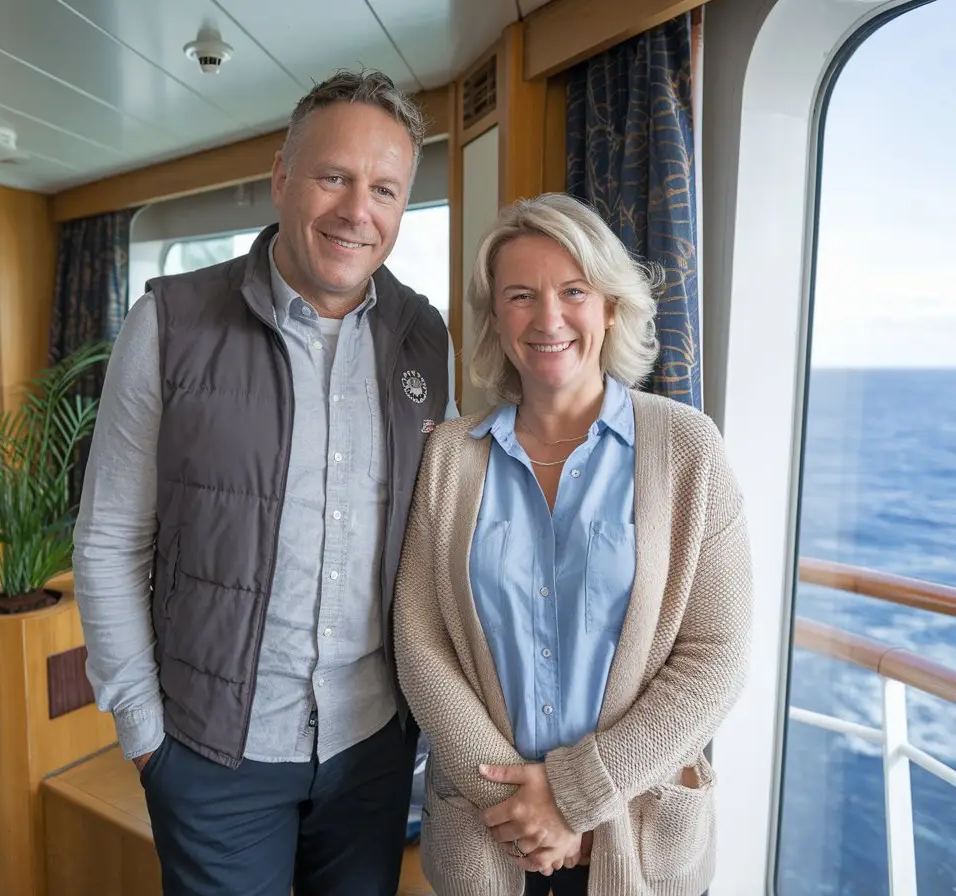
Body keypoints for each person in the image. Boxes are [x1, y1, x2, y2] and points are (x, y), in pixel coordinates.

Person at [72, 69, 458, 896]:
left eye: (385, 189)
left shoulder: (424, 338)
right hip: (214, 757)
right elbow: (108, 538)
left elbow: (435, 542)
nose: (359, 211)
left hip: (372, 751)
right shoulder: (168, 322)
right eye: (334, 177)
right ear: (283, 176)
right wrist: (145, 734)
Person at [393, 193, 753, 896]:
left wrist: (573, 797)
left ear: (611, 307)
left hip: (641, 841)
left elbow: (720, 654)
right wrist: (518, 808)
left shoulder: (688, 449)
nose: (548, 318)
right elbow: (419, 638)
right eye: (521, 295)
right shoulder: (450, 460)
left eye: (573, 292)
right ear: (497, 320)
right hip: (486, 840)